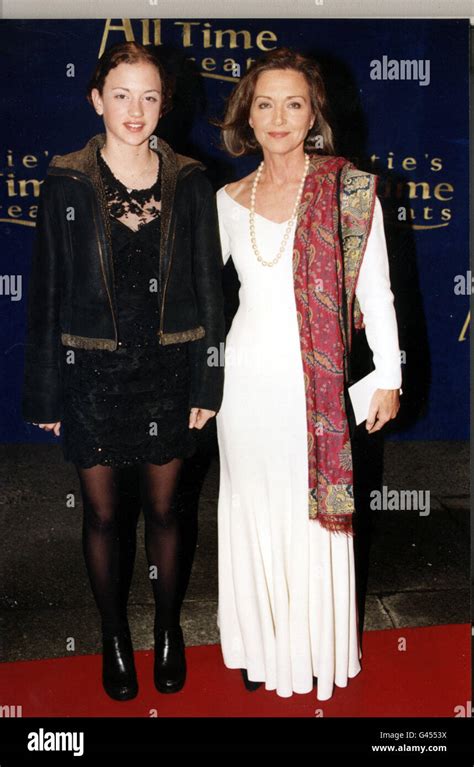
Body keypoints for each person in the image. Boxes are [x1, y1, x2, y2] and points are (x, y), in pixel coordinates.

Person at [21, 42, 225, 701]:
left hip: (170, 369)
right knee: (105, 517)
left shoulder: (192, 181)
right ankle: (113, 634)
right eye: (121, 94)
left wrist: (208, 379)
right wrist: (46, 386)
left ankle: (167, 628)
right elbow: (47, 290)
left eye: (150, 96)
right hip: (92, 376)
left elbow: (211, 293)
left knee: (167, 509)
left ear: (165, 103)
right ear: (95, 99)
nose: (135, 110)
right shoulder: (66, 182)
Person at [215, 47, 402, 701]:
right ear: (248, 112)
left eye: (294, 103)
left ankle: (312, 651)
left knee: (308, 513)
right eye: (264, 103)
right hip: (242, 383)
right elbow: (195, 301)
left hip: (313, 385)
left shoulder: (348, 190)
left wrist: (389, 373)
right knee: (252, 508)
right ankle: (259, 646)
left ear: (313, 113)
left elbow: (376, 292)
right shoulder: (225, 199)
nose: (278, 116)